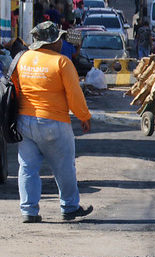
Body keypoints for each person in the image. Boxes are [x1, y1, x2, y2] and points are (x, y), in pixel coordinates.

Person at [12, 21, 93, 223]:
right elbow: (74, 95)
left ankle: (29, 211)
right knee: (64, 166)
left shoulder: (21, 59)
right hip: (53, 122)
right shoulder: (62, 62)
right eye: (59, 39)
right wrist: (84, 116)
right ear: (52, 41)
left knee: (27, 167)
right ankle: (69, 207)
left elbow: (14, 89)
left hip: (24, 121)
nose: (61, 42)